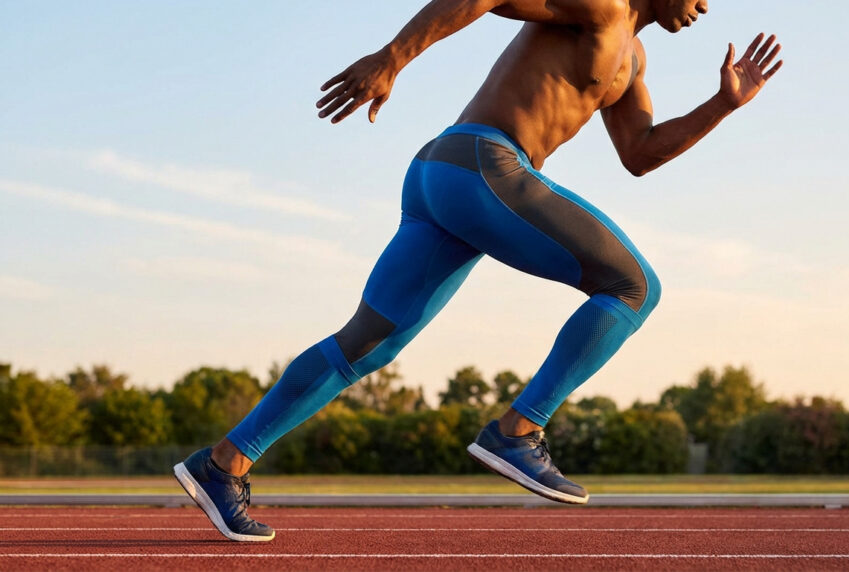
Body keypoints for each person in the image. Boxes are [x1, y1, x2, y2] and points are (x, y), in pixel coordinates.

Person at [174, 0, 782, 542]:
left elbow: (641, 153)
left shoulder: (632, 58)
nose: (706, 5)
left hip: (443, 177)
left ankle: (224, 462)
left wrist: (723, 105)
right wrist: (392, 57)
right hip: (483, 163)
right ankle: (517, 431)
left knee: (364, 344)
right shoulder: (602, 6)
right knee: (633, 286)